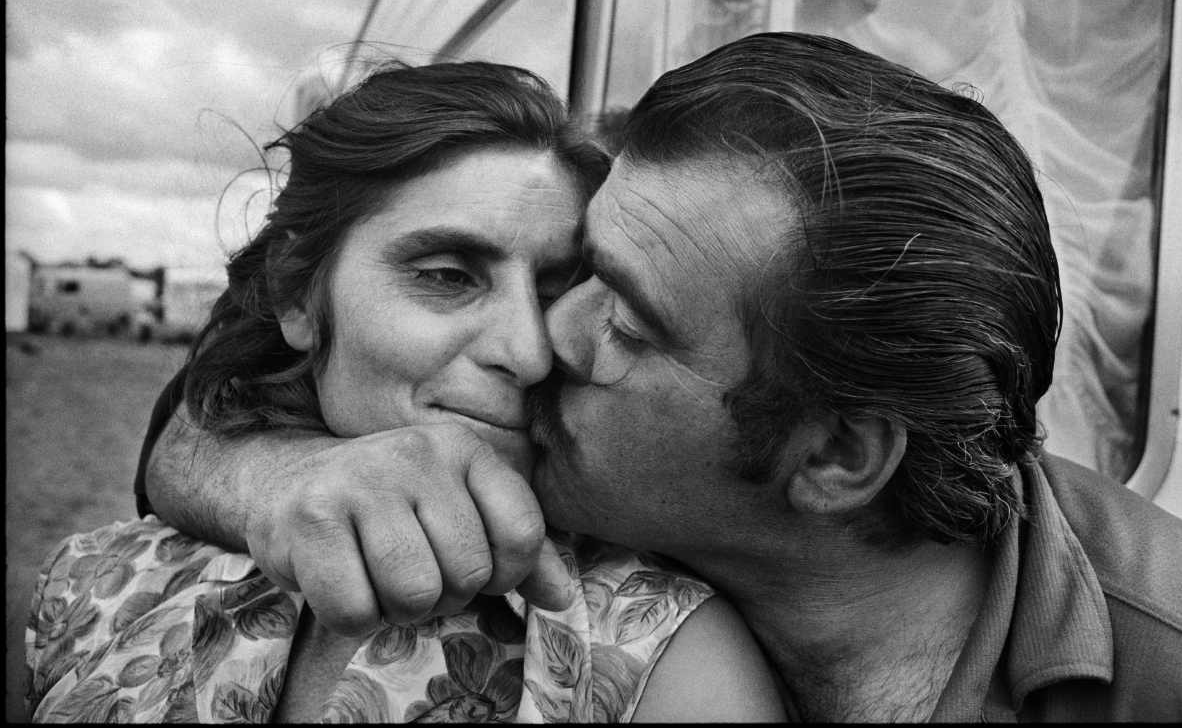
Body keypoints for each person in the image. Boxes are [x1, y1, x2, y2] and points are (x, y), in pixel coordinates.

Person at [111, 32, 1182, 721]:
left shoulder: (1159, 673)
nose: (537, 346)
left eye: (619, 314)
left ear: (836, 457)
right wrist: (277, 478)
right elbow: (207, 408)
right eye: (586, 261)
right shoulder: (597, 475)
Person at [24, 60, 785, 723]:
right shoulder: (97, 585)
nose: (527, 350)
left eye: (558, 289)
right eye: (448, 277)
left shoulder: (657, 654)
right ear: (297, 292)